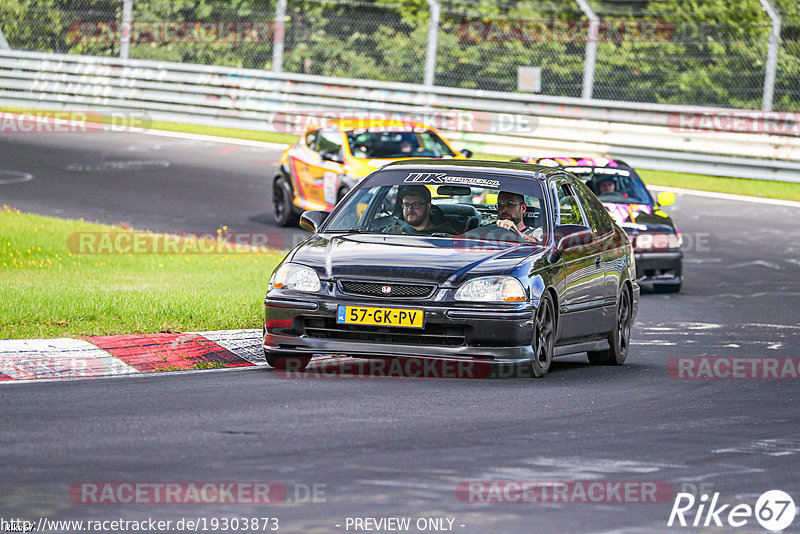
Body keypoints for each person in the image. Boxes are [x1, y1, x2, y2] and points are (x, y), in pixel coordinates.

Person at [383, 185, 455, 235]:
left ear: (428, 207)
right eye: (406, 205)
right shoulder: (389, 233)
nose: (410, 209)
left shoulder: (446, 235)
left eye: (416, 205)